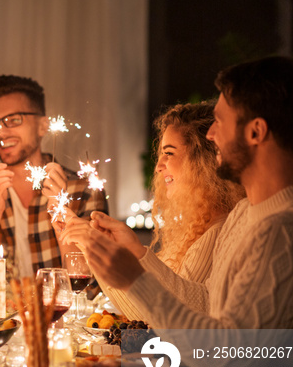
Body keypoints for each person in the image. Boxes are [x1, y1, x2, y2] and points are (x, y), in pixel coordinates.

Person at [62, 56, 293, 367]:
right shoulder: (248, 212)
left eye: (220, 121)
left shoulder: (288, 228)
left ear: (256, 132)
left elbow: (235, 362)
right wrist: (130, 263)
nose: (211, 134)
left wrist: (136, 278)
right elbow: (208, 312)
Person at [0, 75, 108, 278]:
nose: (1, 133)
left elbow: (93, 285)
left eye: (14, 120)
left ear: (43, 126)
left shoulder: (83, 190)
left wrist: (60, 209)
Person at [99, 101, 244, 322]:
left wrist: (136, 252)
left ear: (201, 162)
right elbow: (143, 313)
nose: (158, 166)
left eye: (169, 153)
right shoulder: (190, 229)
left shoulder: (217, 233)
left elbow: (166, 319)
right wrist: (96, 252)